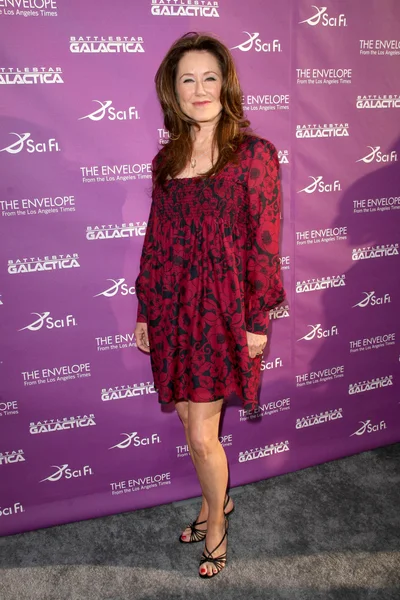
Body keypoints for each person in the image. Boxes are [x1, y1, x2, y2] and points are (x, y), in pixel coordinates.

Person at [134, 32, 285, 578]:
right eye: (188, 79)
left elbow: (264, 243)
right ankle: (210, 500)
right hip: (173, 304)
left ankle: (218, 522)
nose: (200, 89)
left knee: (202, 434)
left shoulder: (255, 156)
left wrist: (256, 320)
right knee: (185, 416)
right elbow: (156, 239)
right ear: (172, 91)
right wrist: (146, 309)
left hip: (223, 309)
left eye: (210, 77)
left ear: (226, 84)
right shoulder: (167, 158)